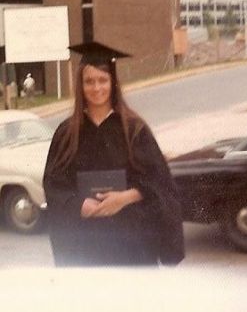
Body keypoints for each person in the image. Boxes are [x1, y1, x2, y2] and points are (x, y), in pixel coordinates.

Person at [43, 41, 184, 267]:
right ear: (80, 86)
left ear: (113, 83)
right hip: (85, 245)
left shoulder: (134, 129)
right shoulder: (67, 132)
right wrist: (79, 204)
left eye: (103, 80)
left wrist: (125, 197)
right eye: (89, 81)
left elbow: (160, 181)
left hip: (132, 245)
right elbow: (54, 184)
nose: (96, 88)